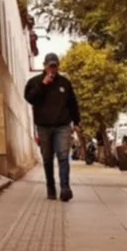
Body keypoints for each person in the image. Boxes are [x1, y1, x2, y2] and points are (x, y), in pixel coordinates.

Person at [24, 52, 81, 201]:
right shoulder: (35, 82)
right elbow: (30, 98)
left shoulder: (64, 83)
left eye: (55, 66)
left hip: (62, 126)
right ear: (44, 66)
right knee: (48, 158)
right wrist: (43, 84)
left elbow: (72, 103)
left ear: (58, 66)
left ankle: (65, 188)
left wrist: (76, 122)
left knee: (63, 156)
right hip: (43, 126)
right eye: (50, 66)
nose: (52, 69)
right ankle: (51, 187)